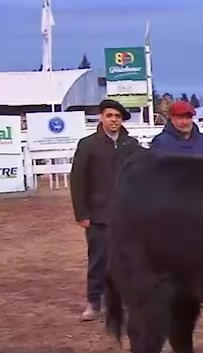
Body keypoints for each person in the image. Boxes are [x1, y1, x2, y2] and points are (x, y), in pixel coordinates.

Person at [69, 99, 141, 321]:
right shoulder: (88, 144)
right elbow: (78, 179)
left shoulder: (132, 144)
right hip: (98, 215)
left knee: (128, 260)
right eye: (109, 116)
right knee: (98, 260)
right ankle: (93, 302)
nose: (113, 120)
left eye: (117, 117)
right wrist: (81, 213)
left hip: (127, 215)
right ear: (101, 117)